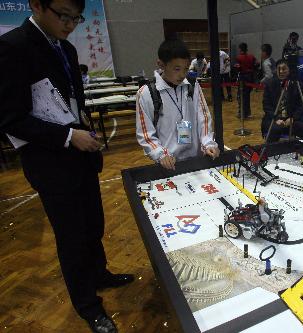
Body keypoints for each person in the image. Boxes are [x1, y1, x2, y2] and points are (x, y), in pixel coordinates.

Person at [0, 1, 134, 332]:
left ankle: (100, 274)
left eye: (76, 17)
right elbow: (10, 119)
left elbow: (73, 101)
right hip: (51, 163)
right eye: (63, 15)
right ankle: (88, 305)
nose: (70, 24)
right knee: (71, 238)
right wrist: (67, 136)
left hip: (81, 156)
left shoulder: (68, 49)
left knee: (93, 225)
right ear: (36, 4)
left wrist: (82, 129)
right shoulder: (13, 47)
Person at [136, 38, 220, 170]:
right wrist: (161, 154)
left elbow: (203, 117)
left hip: (196, 158)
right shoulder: (147, 93)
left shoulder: (192, 85)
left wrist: (208, 143)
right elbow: (146, 134)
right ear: (161, 64)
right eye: (176, 69)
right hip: (169, 162)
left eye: (186, 69)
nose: (182, 75)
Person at [261, 59, 303, 143]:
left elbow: (302, 105)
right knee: (274, 130)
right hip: (274, 119)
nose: (281, 71)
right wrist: (276, 119)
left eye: (284, 69)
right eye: (278, 69)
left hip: (291, 119)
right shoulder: (270, 84)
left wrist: (293, 118)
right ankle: (271, 152)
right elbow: (266, 106)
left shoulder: (297, 85)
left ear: (289, 70)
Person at [236, 42, 257, 118]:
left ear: (240, 49)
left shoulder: (239, 57)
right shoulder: (251, 56)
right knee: (247, 96)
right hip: (250, 78)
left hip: (243, 78)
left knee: (241, 96)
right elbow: (257, 64)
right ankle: (248, 113)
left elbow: (238, 68)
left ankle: (242, 113)